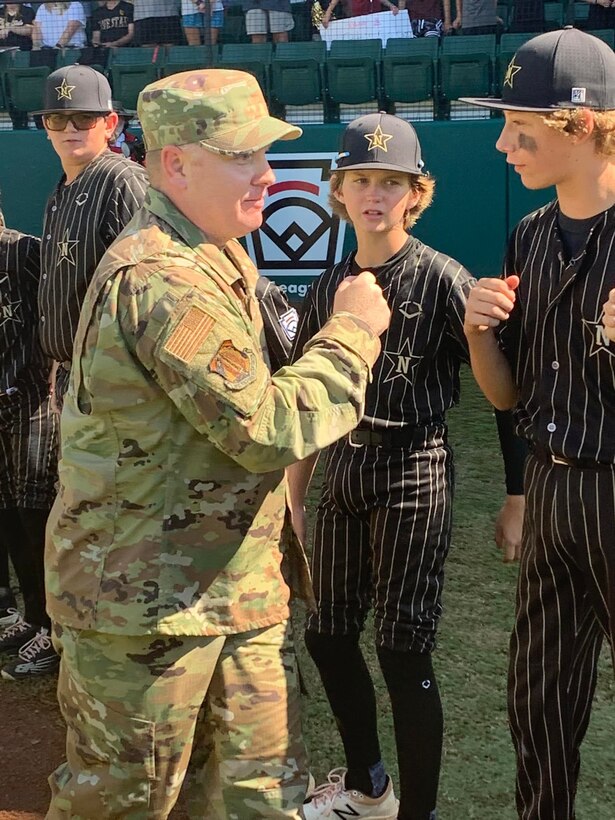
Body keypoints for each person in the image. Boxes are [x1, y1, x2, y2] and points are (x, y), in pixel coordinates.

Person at [44, 67, 392, 819]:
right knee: (124, 805)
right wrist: (354, 333)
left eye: (265, 154)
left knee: (257, 801)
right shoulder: (161, 275)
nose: (266, 174)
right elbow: (267, 427)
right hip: (147, 613)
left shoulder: (215, 250)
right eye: (242, 156)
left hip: (230, 595)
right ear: (175, 164)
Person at [290, 112, 524, 820]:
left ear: (415, 194)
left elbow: (500, 395)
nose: (373, 194)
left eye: (390, 182)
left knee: (401, 647)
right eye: (360, 179)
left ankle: (415, 813)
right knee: (327, 635)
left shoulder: (441, 275)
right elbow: (303, 392)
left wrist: (515, 496)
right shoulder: (328, 281)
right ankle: (369, 789)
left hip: (412, 467)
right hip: (340, 465)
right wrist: (294, 500)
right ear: (337, 190)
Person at [461, 27, 615, 820]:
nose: (501, 143)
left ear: (579, 123)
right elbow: (504, 398)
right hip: (552, 487)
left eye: (519, 125)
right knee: (538, 704)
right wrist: (477, 334)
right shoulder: (527, 235)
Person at [34, 64, 148, 409]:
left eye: (84, 118)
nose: (70, 128)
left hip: (118, 382)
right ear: (46, 127)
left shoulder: (122, 181)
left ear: (110, 124)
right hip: (77, 376)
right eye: (58, 118)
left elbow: (156, 287)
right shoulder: (61, 191)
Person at [0, 203, 59, 680]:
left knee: (35, 513)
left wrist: (46, 377)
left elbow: (58, 312)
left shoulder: (23, 251)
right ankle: (31, 618)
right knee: (9, 517)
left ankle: (53, 626)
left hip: (33, 400)